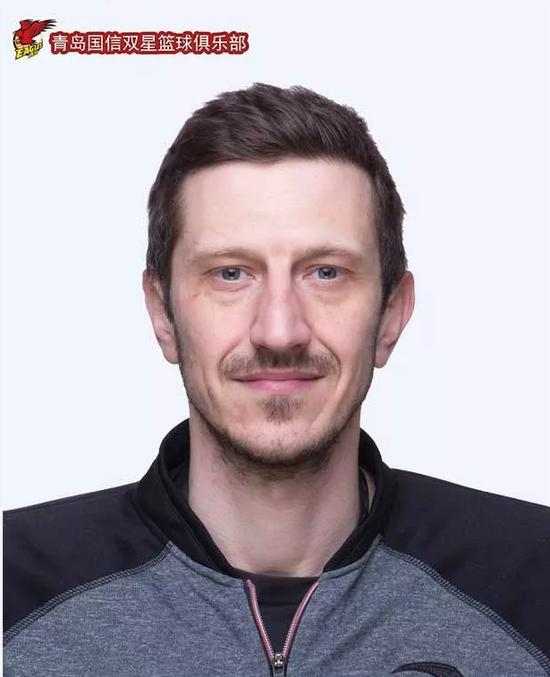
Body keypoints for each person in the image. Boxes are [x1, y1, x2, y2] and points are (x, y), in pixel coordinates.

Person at [3, 83, 549, 677]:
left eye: (326, 272)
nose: (280, 331)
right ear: (162, 314)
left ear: (391, 314)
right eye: (231, 273)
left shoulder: (532, 579)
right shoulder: (17, 585)